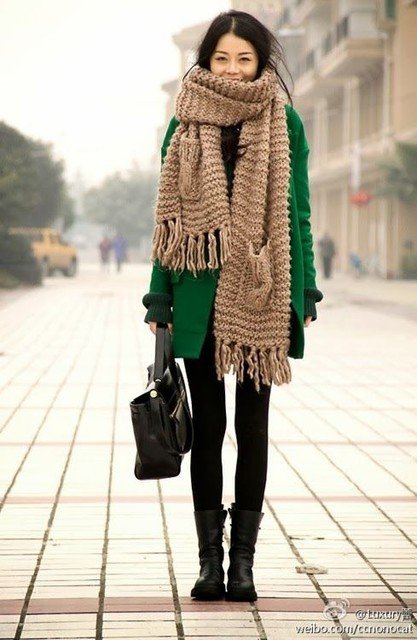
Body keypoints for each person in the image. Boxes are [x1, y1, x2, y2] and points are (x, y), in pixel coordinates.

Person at [142, 10, 324, 602]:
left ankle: (242, 563)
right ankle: (208, 563)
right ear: (206, 61)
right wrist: (159, 296)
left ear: (261, 61)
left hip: (261, 296)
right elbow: (168, 223)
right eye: (221, 58)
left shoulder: (284, 121)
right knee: (210, 428)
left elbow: (298, 213)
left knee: (253, 428)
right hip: (197, 294)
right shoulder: (184, 121)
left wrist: (306, 288)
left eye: (244, 58)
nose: (232, 68)